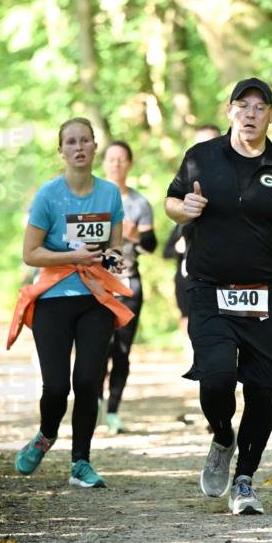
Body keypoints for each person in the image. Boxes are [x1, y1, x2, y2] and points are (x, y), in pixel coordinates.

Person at [164, 78, 272, 515]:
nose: (252, 113)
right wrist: (185, 210)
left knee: (261, 392)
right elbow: (170, 201)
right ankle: (222, 435)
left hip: (267, 294)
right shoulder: (200, 158)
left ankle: (244, 479)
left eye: (261, 107)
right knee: (215, 377)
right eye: (244, 105)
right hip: (210, 290)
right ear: (230, 111)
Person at [8, 117, 134, 488]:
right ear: (61, 151)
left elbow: (114, 247)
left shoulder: (109, 194)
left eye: (85, 141)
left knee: (88, 382)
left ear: (95, 147)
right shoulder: (48, 195)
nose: (79, 148)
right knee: (57, 387)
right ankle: (46, 434)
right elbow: (30, 253)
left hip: (95, 297)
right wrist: (71, 257)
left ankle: (81, 462)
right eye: (71, 142)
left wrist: (114, 259)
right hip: (53, 299)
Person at [98, 140, 157, 434]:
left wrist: (134, 236)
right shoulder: (91, 198)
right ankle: (94, 402)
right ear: (104, 163)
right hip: (94, 284)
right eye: (111, 159)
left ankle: (113, 411)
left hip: (127, 283)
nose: (116, 164)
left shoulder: (139, 203)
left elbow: (152, 245)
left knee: (121, 350)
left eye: (121, 159)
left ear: (129, 164)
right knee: (97, 347)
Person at [163, 125, 221, 336]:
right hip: (190, 277)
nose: (204, 149)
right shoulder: (183, 191)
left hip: (226, 277)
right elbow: (167, 248)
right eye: (199, 144)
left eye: (210, 142)